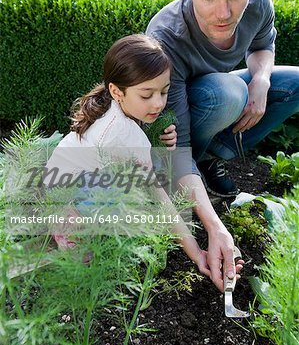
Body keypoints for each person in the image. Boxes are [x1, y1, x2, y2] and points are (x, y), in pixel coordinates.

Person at [146, 0, 299, 289]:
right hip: (183, 128)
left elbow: (263, 46)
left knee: (291, 83)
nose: (224, 12)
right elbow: (173, 150)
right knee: (227, 92)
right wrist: (215, 227)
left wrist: (261, 80)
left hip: (222, 102)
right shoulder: (164, 37)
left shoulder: (259, 3)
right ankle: (199, 168)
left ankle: (214, 156)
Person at [44, 34, 244, 282]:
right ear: (117, 91)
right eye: (147, 95)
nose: (158, 103)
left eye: (164, 91)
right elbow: (160, 198)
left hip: (65, 175)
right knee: (94, 258)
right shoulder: (123, 136)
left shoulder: (115, 105)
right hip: (69, 198)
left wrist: (158, 135)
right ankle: (71, 235)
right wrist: (195, 252)